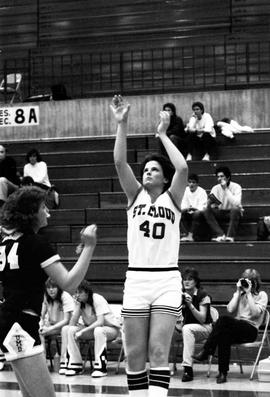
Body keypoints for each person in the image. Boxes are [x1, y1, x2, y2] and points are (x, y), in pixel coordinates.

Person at [111, 94, 188, 397]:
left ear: (163, 177)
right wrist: (122, 123)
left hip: (167, 278)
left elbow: (182, 168)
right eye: (146, 170)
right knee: (134, 354)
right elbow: (119, 161)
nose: (148, 172)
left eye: (154, 170)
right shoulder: (135, 196)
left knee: (158, 351)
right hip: (137, 279)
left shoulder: (173, 197)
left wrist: (162, 134)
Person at [0, 186, 97, 397]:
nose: (48, 212)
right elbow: (70, 283)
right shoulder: (37, 243)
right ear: (32, 212)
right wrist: (89, 247)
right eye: (44, 207)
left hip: (11, 321)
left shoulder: (6, 242)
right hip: (20, 326)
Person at [194, 268, 268, 384]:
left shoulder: (262, 295)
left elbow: (254, 313)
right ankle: (223, 373)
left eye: (250, 281)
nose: (247, 284)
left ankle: (207, 350)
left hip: (250, 330)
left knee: (223, 320)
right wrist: (238, 292)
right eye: (245, 280)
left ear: (256, 282)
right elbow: (230, 309)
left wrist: (249, 294)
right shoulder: (240, 294)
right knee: (224, 336)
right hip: (237, 328)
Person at [60, 280, 121, 377]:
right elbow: (72, 323)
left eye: (80, 292)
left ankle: (101, 367)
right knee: (70, 330)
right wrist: (76, 307)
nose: (77, 295)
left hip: (110, 330)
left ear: (87, 292)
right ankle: (75, 365)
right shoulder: (80, 303)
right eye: (75, 293)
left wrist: (83, 331)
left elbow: (100, 322)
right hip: (93, 330)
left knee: (99, 330)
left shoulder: (97, 299)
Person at [175, 267, 213, 382]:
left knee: (187, 329)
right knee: (164, 330)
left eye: (190, 279)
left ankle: (188, 369)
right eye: (184, 279)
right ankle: (160, 367)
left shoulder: (203, 295)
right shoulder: (179, 295)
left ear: (196, 281)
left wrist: (190, 304)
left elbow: (202, 318)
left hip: (205, 328)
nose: (186, 282)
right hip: (186, 328)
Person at [202, 166, 243, 242]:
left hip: (233, 212)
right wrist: (209, 203)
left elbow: (237, 203)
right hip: (221, 212)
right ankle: (220, 235)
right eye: (218, 177)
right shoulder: (215, 188)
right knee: (206, 210)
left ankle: (230, 237)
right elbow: (213, 202)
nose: (219, 179)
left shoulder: (236, 187)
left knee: (235, 209)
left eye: (222, 176)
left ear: (228, 177)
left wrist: (226, 189)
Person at [39, 278, 74, 347]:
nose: (51, 290)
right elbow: (41, 316)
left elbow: (66, 320)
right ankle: (43, 356)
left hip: (65, 326)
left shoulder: (65, 296)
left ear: (58, 288)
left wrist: (49, 329)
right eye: (48, 288)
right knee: (39, 331)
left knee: (41, 333)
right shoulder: (46, 296)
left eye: (53, 287)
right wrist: (41, 326)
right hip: (52, 325)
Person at [180, 174, 208, 242]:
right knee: (179, 213)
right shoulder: (185, 190)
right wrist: (187, 209)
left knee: (197, 214)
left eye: (193, 182)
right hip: (187, 211)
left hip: (198, 213)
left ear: (197, 184)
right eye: (189, 182)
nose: (191, 184)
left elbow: (203, 207)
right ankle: (185, 234)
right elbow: (183, 204)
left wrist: (194, 209)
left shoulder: (202, 191)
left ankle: (190, 235)